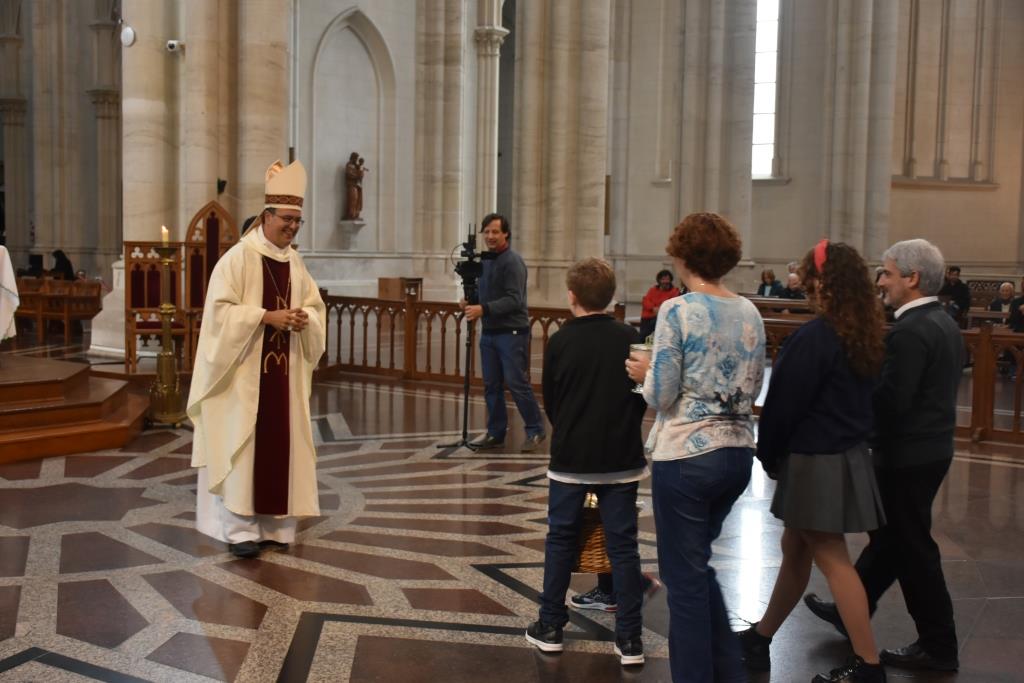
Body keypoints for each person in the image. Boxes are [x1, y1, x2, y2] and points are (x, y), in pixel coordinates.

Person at [804, 238, 963, 674]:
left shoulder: (912, 331)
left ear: (912, 278)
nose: (881, 282)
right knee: (892, 540)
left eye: (888, 273)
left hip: (907, 456)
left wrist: (852, 428)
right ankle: (850, 606)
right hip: (930, 450)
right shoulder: (942, 321)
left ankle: (939, 645)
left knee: (912, 550)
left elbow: (892, 402)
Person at [738, 240, 887, 683]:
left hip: (815, 460)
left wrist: (767, 455)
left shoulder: (815, 337)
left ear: (824, 282)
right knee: (795, 550)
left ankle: (868, 664)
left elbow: (784, 405)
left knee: (831, 557)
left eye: (808, 275)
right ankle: (760, 638)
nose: (801, 283)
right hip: (844, 455)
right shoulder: (862, 333)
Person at [626, 212, 765, 683]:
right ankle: (728, 671)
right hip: (738, 454)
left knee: (684, 585)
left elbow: (662, 393)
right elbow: (755, 381)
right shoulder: (749, 310)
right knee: (696, 568)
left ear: (682, 257)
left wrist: (644, 377)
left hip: (687, 457)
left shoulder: (678, 310)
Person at [188, 159, 327, 560]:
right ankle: (241, 529)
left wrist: (305, 318)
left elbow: (315, 306)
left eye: (298, 222)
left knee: (280, 446)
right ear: (267, 216)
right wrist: (265, 317)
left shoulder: (294, 263)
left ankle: (276, 528)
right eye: (287, 219)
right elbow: (218, 314)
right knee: (244, 447)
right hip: (243, 379)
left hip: (282, 378)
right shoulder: (237, 259)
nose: (293, 228)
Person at [525, 258, 649, 666]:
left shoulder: (560, 341)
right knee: (624, 546)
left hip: (572, 458)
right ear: (611, 297)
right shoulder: (629, 337)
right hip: (621, 458)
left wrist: (570, 430)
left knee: (560, 539)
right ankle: (629, 639)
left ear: (571, 296)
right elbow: (640, 395)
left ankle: (550, 626)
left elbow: (552, 400)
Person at [461, 213, 546, 452]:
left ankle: (536, 430)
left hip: (512, 332)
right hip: (489, 332)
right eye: (486, 232)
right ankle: (496, 432)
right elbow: (486, 294)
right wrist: (470, 300)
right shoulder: (486, 261)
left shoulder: (512, 261)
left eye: (495, 232)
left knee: (517, 383)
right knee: (491, 385)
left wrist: (483, 308)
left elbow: (514, 300)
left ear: (505, 233)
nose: (490, 236)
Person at [639, 269, 679, 340]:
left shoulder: (674, 291)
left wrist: (659, 309)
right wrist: (653, 308)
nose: (665, 282)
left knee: (650, 327)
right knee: (645, 328)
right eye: (663, 279)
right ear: (659, 280)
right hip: (648, 316)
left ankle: (640, 339)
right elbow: (645, 301)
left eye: (667, 279)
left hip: (662, 317)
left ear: (670, 280)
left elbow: (670, 304)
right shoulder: (652, 290)